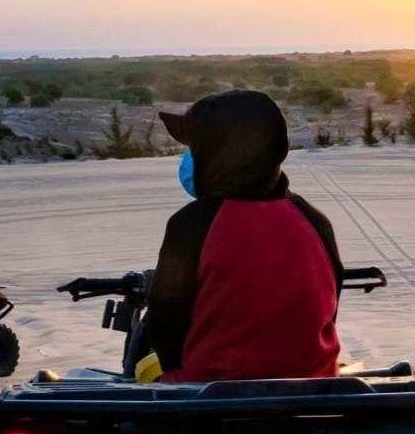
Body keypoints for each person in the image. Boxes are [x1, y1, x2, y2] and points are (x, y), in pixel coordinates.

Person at [142, 89, 343, 382]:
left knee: (142, 370)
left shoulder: (191, 225)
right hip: (312, 391)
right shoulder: (314, 220)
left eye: (197, 146)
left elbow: (164, 325)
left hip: (207, 399)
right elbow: (328, 313)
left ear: (217, 152)